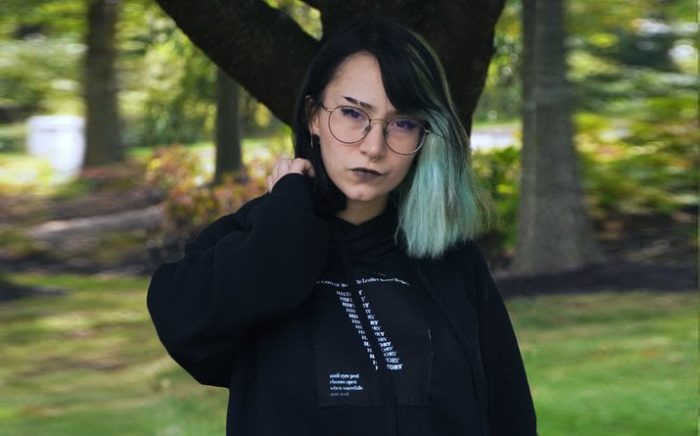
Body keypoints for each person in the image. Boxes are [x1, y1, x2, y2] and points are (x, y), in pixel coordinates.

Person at [147, 17, 537, 436]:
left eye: (403, 123)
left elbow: (508, 410)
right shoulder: (253, 238)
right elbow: (187, 331)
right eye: (353, 113)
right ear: (314, 116)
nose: (374, 147)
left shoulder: (451, 259)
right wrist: (288, 212)